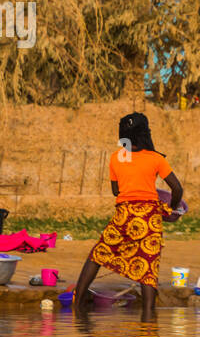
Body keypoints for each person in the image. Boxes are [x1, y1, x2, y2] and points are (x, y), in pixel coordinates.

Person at [73, 113, 183, 321]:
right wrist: (172, 210)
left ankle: (77, 304)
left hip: (124, 216)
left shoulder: (116, 157)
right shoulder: (157, 159)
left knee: (98, 254)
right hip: (149, 218)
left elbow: (116, 191)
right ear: (145, 133)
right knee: (148, 265)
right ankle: (148, 318)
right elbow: (177, 189)